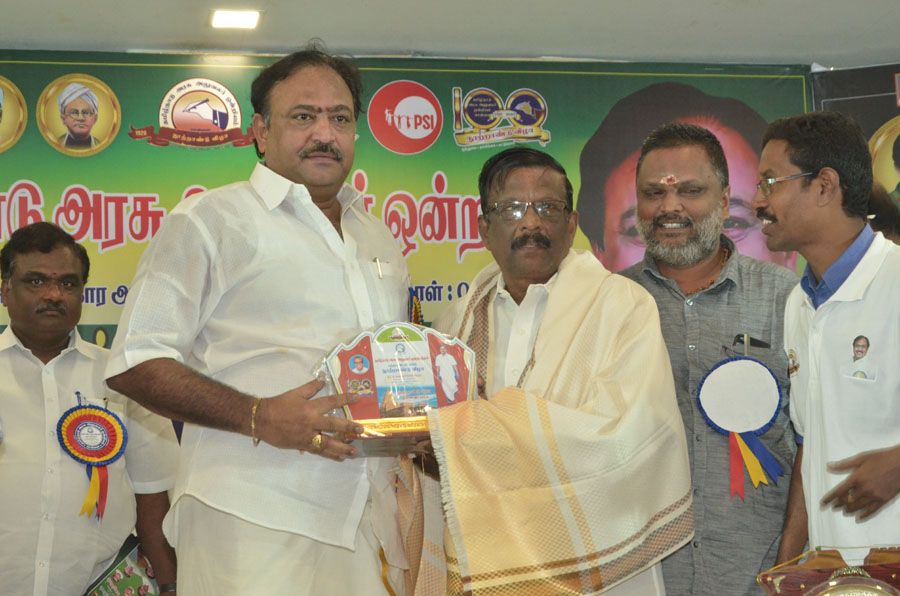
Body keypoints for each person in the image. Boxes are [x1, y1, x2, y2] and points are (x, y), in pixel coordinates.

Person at [105, 45, 411, 594]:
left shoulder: (377, 235)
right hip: (250, 514)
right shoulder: (210, 220)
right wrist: (258, 416)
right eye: (303, 116)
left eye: (340, 118)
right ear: (262, 133)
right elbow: (136, 361)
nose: (324, 134)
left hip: (368, 519)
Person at [404, 146, 693, 595]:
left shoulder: (623, 306)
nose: (531, 224)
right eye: (511, 209)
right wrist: (431, 444)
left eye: (548, 208)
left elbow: (627, 436)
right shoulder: (452, 326)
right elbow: (435, 456)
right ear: (483, 228)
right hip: (488, 562)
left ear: (572, 224)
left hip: (601, 568)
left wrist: (466, 433)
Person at [618, 123, 798, 595]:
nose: (670, 206)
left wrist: (793, 560)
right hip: (642, 576)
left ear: (724, 199)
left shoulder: (785, 298)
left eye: (690, 191)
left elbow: (814, 439)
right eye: (653, 193)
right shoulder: (609, 302)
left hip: (760, 573)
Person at [751, 111, 900, 565]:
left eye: (770, 182)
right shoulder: (799, 303)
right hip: (839, 577)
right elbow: (809, 444)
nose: (758, 200)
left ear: (824, 186)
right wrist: (788, 563)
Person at [0, 222, 178, 595]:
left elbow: (152, 497)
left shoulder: (125, 379)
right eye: (36, 281)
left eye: (68, 284)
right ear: (5, 290)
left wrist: (170, 586)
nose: (53, 294)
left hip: (98, 586)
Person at [578, 82, 797, 272]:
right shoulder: (605, 302)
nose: (687, 243)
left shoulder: (784, 292)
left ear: (788, 252)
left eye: (732, 223)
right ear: (599, 256)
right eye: (637, 230)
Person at [57, 82, 100, 148]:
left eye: (86, 112)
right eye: (73, 112)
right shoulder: (55, 143)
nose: (80, 118)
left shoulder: (102, 146)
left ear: (95, 118)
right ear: (63, 118)